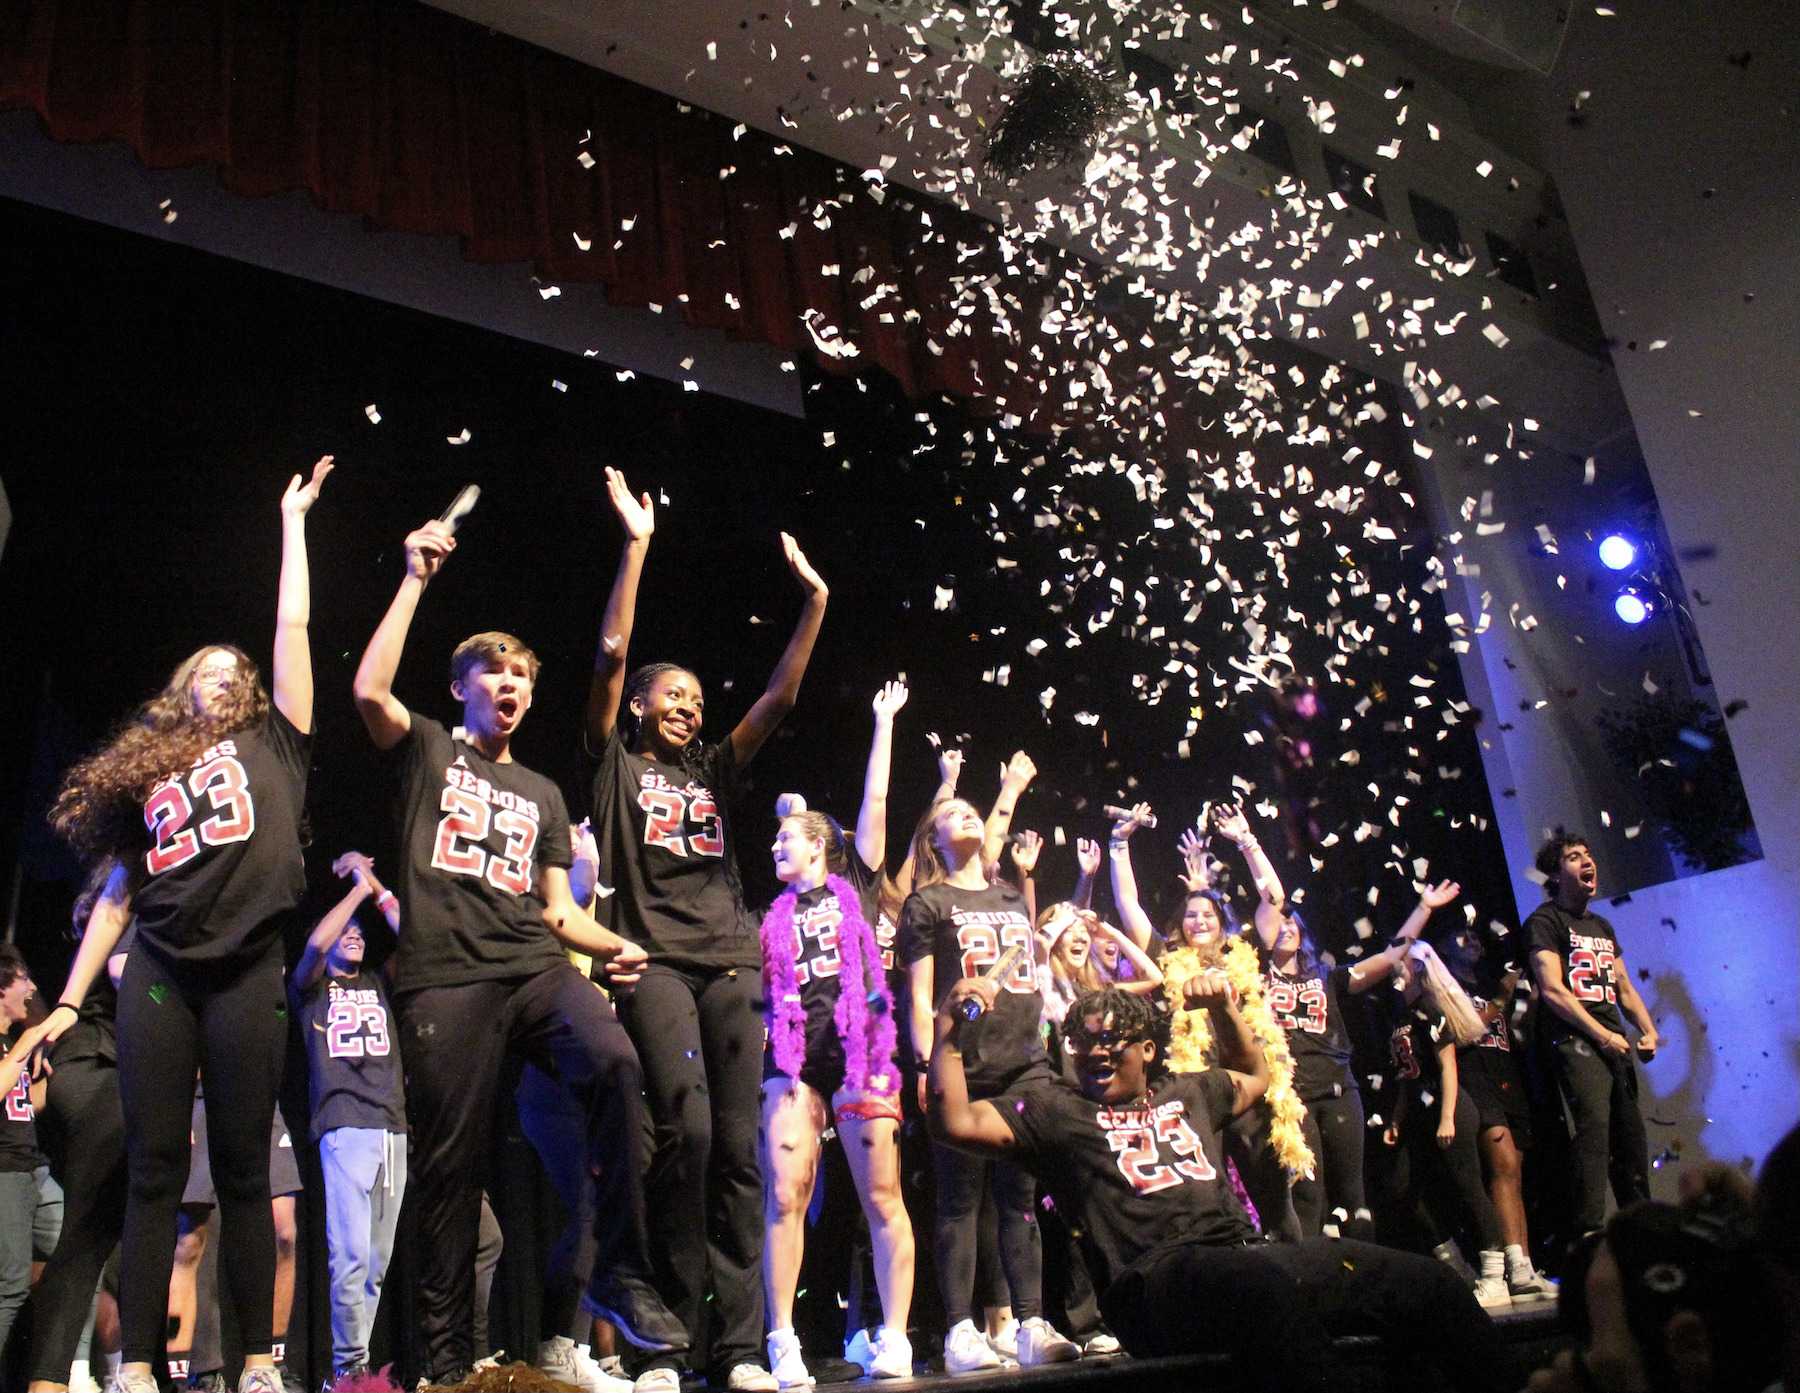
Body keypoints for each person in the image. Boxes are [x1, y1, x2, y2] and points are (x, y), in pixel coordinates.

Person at [352, 505, 675, 1390]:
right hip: (446, 980)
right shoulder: (424, 750)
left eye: (524, 678)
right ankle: (447, 1367)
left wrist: (616, 943)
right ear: (461, 686)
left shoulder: (542, 791)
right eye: (495, 672)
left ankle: (617, 1270)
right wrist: (415, 577)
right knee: (450, 1171)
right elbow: (369, 694)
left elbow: (559, 911)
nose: (513, 685)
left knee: (613, 1060)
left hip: (531, 965)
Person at [40, 458, 335, 1393]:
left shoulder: (277, 740)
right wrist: (68, 999)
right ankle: (133, 1364)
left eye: (233, 668)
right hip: (161, 970)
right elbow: (120, 893)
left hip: (247, 972)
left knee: (246, 1170)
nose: (223, 673)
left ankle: (255, 1362)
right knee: (154, 1170)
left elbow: (291, 625)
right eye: (204, 669)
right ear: (181, 688)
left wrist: (293, 522)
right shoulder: (152, 773)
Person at [927, 978, 1513, 1393]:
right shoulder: (1054, 1111)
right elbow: (954, 1121)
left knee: (1424, 1282)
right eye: (1082, 1042)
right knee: (1258, 1286)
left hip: (1241, 1260)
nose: (1096, 1051)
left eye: (1112, 1040)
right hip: (1152, 1285)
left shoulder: (1191, 1092)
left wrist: (1224, 1011)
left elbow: (1257, 1075)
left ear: (1149, 1050)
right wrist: (948, 1034)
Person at [581, 468, 827, 1393]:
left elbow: (778, 702)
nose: (687, 704)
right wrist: (637, 544)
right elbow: (608, 656)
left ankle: (737, 1347)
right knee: (679, 1133)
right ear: (643, 707)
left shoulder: (716, 771)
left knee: (737, 1149)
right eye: (669, 695)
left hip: (730, 963)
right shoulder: (610, 763)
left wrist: (815, 602)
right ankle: (667, 1341)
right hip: (655, 961)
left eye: (694, 695)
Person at [759, 682, 915, 1387]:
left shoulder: (852, 876)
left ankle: (895, 1335)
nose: (775, 844)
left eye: (787, 837)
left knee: (882, 1195)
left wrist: (881, 722)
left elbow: (874, 807)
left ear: (821, 846)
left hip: (859, 1052)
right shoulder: (767, 913)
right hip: (792, 1060)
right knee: (786, 1191)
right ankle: (783, 1340)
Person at [901, 795, 1080, 1374]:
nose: (969, 816)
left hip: (1026, 1063)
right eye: (953, 814)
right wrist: (927, 1064)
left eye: (973, 810)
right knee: (959, 1200)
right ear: (934, 839)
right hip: (965, 1067)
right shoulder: (927, 902)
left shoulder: (1007, 896)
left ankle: (1029, 1323)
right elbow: (920, 994)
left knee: (1020, 1202)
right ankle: (959, 1331)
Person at [1109, 804, 1310, 1243]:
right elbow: (1128, 904)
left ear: (1222, 924)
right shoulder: (1167, 958)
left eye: (1208, 915)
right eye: (1190, 915)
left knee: (1275, 1199)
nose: (1199, 920)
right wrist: (1119, 845)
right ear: (1179, 925)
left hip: (1247, 1084)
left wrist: (1247, 841)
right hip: (1195, 1092)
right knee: (1210, 1199)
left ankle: (1297, 1281)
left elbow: (1274, 899)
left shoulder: (1244, 952)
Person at [1250, 867, 1462, 1239]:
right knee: (1307, 1193)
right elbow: (1271, 901)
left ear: (1303, 936)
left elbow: (1389, 956)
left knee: (1354, 1197)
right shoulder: (1255, 979)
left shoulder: (1329, 977)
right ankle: (1315, 1280)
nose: (1286, 927)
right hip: (1290, 1098)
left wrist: (1424, 909)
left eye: (1293, 924)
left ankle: (1365, 1277)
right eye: (1279, 924)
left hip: (1339, 1091)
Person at [291, 852, 408, 1385]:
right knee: (350, 1257)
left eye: (361, 932)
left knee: (377, 1265)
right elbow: (316, 944)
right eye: (348, 931)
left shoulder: (381, 984)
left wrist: (373, 882)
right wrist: (355, 894)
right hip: (343, 1124)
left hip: (392, 1128)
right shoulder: (314, 988)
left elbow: (417, 933)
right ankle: (347, 1370)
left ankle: (351, 1374)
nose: (354, 935)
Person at [26, 870, 131, 1393]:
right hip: (100, 1068)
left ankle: (79, 1374)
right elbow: (126, 971)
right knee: (84, 1239)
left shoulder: (100, 920)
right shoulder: (133, 911)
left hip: (84, 1069)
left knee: (96, 1233)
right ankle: (51, 1382)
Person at [1524, 835, 1658, 1235]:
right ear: (1555, 874)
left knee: (1631, 1142)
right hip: (1576, 1041)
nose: (1587, 861)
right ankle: (1589, 1235)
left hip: (1613, 1041)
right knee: (1593, 1135)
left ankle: (1642, 1234)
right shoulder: (1545, 922)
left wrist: (1648, 1031)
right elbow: (1552, 990)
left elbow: (1624, 987)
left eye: (1588, 853)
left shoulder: (1602, 925)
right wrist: (1601, 1035)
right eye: (1574, 857)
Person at [1381, 941, 1512, 1307]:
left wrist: (1447, 1117)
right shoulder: (1401, 1013)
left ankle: (1494, 1275)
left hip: (1448, 1108)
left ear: (1416, 968)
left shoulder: (1429, 1008)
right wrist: (1396, 1119)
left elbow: (1447, 1068)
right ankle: (1456, 1267)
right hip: (1418, 1113)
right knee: (1403, 1187)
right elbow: (1407, 1076)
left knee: (1469, 1186)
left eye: (1402, 962)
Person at [1440, 924, 1559, 1299]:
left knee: (1515, 1174)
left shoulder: (1490, 982)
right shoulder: (1446, 988)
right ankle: (1510, 1267)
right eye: (1462, 936)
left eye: (1476, 936)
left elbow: (1517, 1029)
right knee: (1503, 1164)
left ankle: (1524, 1264)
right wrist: (1500, 1000)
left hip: (1508, 1076)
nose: (1472, 940)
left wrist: (1528, 999)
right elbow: (1461, 1032)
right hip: (1476, 1079)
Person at [0, 950, 53, 1357]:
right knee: (11, 1286)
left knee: (78, 1255)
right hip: (5, 1172)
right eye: (23, 979)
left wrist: (44, 1077)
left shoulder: (9, 1045)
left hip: (34, 1168)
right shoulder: (11, 1045)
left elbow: (24, 1106)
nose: (31, 987)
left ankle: (71, 1368)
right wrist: (28, 1042)